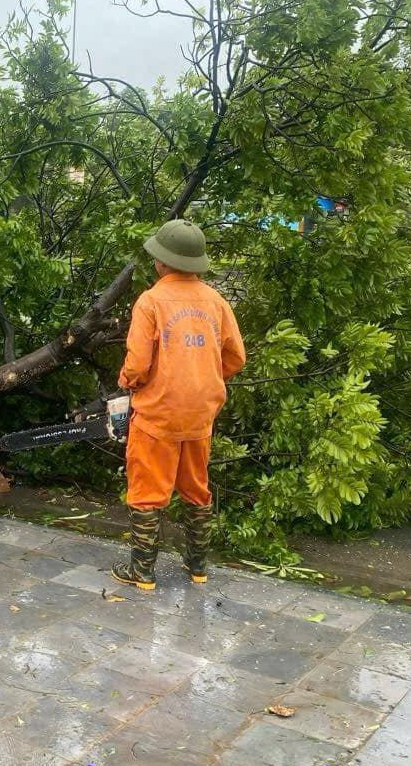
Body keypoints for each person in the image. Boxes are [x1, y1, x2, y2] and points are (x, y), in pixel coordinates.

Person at [112, 219, 245, 589]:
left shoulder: (151, 301)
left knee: (147, 491)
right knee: (196, 488)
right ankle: (198, 567)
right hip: (201, 414)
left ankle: (142, 572)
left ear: (161, 261)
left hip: (157, 414)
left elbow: (137, 363)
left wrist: (128, 382)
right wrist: (202, 379)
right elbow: (235, 357)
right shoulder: (216, 301)